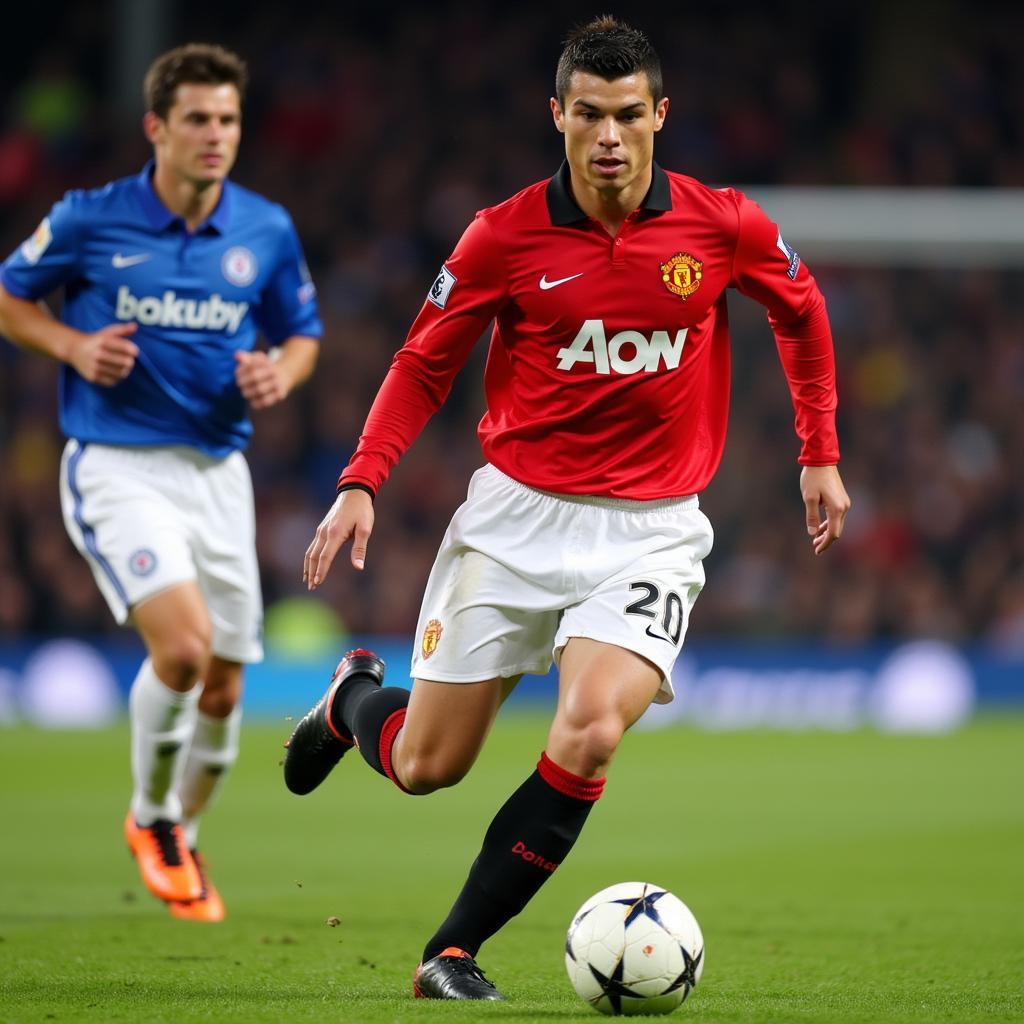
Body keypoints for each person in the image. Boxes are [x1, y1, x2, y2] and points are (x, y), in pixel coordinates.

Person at [286, 15, 849, 999]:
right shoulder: (502, 236)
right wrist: (362, 478)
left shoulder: (720, 225)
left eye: (628, 114)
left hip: (652, 530)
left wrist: (820, 453)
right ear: (557, 114)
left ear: (659, 114)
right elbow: (424, 360)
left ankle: (450, 951)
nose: (608, 135)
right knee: (426, 763)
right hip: (514, 521)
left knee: (588, 728)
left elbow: (800, 309)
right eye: (587, 113)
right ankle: (349, 704)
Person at [0, 43, 322, 922]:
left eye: (228, 119)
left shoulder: (265, 229)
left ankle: (183, 829)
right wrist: (72, 346)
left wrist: (281, 376)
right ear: (158, 128)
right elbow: (10, 294)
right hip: (116, 464)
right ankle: (151, 821)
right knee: (180, 652)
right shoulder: (89, 220)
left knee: (223, 688)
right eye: (198, 121)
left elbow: (301, 335)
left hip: (219, 473)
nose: (216, 135)